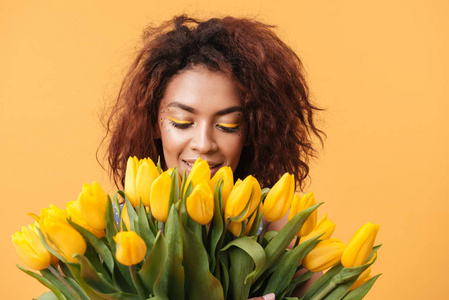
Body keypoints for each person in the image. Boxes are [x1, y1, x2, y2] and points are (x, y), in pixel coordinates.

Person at [102, 15, 324, 299]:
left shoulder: (280, 233)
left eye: (228, 125)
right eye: (182, 122)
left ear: (252, 133)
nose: (204, 144)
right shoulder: (115, 230)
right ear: (155, 123)